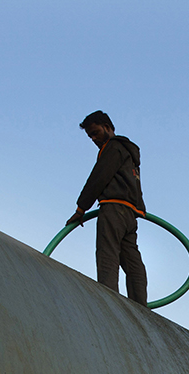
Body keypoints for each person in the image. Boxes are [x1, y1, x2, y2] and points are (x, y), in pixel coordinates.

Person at [66, 111, 149, 305]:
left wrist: (81, 209)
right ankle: (140, 306)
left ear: (108, 127)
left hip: (113, 207)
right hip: (130, 212)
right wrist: (139, 210)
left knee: (107, 252)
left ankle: (108, 301)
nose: (94, 139)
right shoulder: (130, 152)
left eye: (95, 133)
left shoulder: (112, 147)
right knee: (131, 258)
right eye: (90, 136)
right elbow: (136, 185)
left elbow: (98, 178)